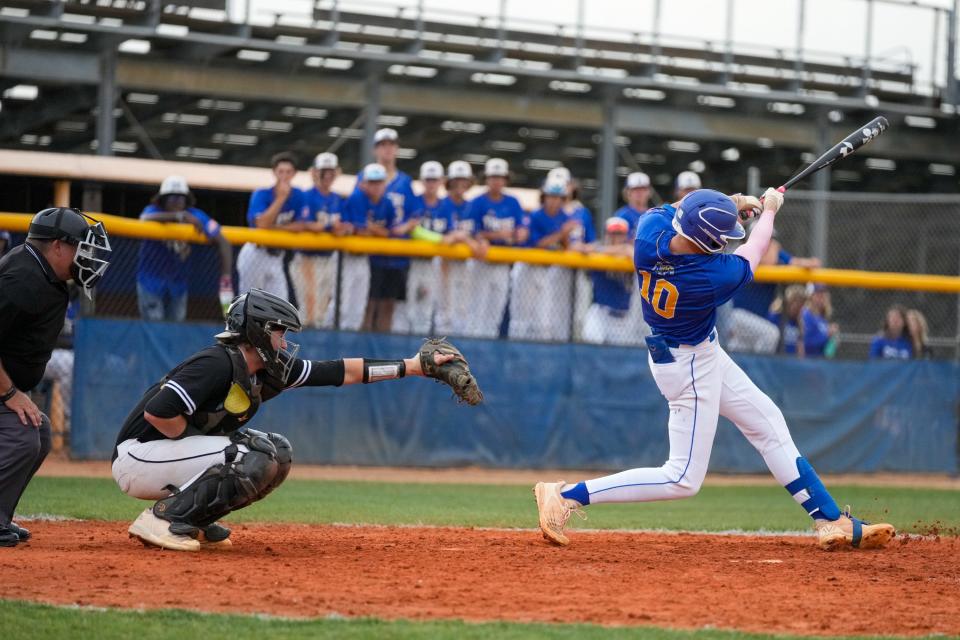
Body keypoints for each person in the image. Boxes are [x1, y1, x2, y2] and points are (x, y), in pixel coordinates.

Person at [533, 188, 895, 552]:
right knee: (682, 478)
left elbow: (680, 208)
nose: (725, 244)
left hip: (691, 355)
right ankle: (566, 495)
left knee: (767, 422)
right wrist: (769, 210)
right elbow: (753, 251)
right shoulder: (708, 276)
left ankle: (830, 520)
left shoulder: (648, 232)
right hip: (691, 366)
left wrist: (730, 203)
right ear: (708, 244)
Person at [112, 288, 481, 551]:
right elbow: (158, 412)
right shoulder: (218, 361)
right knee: (247, 453)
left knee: (278, 453)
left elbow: (339, 372)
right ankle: (161, 520)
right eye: (279, 332)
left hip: (168, 456)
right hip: (139, 456)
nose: (284, 342)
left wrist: (412, 367)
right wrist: (196, 444)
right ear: (256, 330)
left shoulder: (266, 370)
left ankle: (192, 519)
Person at [0, 207, 111, 547]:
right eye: (81, 247)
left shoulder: (41, 271)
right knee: (23, 436)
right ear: (58, 247)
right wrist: (8, 394)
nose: (87, 258)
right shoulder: (22, 279)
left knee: (39, 430)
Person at [137, 176, 234, 322]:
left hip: (178, 283)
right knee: (154, 328)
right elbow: (144, 218)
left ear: (186, 199)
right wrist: (179, 216)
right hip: (151, 281)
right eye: (172, 197)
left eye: (181, 197)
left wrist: (226, 277)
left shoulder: (196, 215)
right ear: (162, 199)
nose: (177, 201)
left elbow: (223, 241)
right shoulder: (154, 210)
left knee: (176, 328)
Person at [508, 178, 581, 341]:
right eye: (551, 196)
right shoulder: (535, 215)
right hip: (527, 268)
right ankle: (514, 359)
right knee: (520, 320)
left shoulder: (564, 217)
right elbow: (537, 244)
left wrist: (567, 236)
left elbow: (566, 246)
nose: (554, 201)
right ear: (544, 197)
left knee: (543, 322)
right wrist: (562, 232)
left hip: (547, 271)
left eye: (558, 197)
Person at [725, 230, 821, 354]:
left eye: (771, 240)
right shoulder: (748, 249)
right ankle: (761, 370)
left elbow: (804, 263)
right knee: (771, 334)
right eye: (767, 239)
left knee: (739, 352)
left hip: (755, 321)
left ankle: (748, 371)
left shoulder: (776, 254)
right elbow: (768, 261)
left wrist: (809, 262)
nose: (770, 243)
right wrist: (775, 252)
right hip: (737, 314)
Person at [463, 158, 528, 338]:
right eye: (493, 177)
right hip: (480, 263)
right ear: (487, 179)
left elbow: (522, 229)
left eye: (500, 177)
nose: (496, 181)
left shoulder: (513, 202)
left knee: (495, 316)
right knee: (476, 312)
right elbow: (471, 231)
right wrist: (499, 235)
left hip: (502, 264)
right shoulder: (477, 202)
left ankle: (487, 358)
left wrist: (519, 233)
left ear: (506, 179)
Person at [237, 152, 310, 301]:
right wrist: (281, 198)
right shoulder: (262, 194)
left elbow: (301, 226)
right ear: (274, 173)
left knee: (278, 304)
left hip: (277, 255)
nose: (284, 175)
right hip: (255, 252)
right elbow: (262, 224)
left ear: (294, 174)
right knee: (250, 303)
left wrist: (274, 227)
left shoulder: (299, 195)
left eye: (288, 172)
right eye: (281, 171)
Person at [293, 152, 348, 328]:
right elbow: (307, 224)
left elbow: (345, 226)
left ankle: (318, 348)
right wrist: (331, 226)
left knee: (323, 307)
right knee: (309, 305)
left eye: (331, 171)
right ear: (315, 172)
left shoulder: (337, 198)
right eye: (324, 171)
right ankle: (304, 347)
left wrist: (341, 228)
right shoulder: (306, 195)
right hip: (306, 257)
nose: (327, 175)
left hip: (329, 257)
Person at [392, 160, 445, 335]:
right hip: (411, 261)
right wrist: (441, 239)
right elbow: (408, 229)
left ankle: (421, 353)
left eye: (434, 180)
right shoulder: (413, 201)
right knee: (406, 309)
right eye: (428, 180)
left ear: (441, 181)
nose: (431, 183)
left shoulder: (445, 205)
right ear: (422, 181)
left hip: (433, 263)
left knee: (427, 309)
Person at [434, 160, 486, 337]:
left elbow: (478, 232)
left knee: (464, 308)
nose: (460, 184)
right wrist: (462, 237)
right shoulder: (441, 204)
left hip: (465, 263)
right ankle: (439, 354)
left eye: (464, 180)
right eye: (457, 180)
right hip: (443, 262)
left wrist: (481, 240)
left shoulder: (472, 206)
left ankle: (460, 353)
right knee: (444, 310)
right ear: (450, 182)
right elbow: (442, 238)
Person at [335, 163, 389, 331]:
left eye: (379, 182)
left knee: (358, 307)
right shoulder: (357, 197)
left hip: (363, 258)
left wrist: (370, 228)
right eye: (371, 182)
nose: (375, 186)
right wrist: (372, 229)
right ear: (363, 183)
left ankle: (349, 347)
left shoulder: (386, 202)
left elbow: (388, 232)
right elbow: (360, 230)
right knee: (341, 306)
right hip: (346, 258)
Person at [581, 217, 647, 346]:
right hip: (600, 313)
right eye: (613, 233)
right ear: (607, 234)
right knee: (591, 344)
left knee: (619, 354)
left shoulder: (629, 253)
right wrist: (605, 249)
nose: (616, 237)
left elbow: (632, 253)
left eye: (620, 234)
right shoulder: (598, 253)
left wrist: (623, 249)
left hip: (623, 317)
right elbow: (582, 249)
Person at [767, 284, 831, 357]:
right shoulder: (774, 318)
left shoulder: (799, 323)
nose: (798, 307)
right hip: (775, 360)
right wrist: (826, 336)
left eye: (802, 304)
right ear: (788, 302)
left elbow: (801, 351)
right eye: (795, 302)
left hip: (793, 363)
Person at [614, 171, 652, 236]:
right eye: (635, 189)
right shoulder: (621, 215)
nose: (639, 192)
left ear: (649, 191)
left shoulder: (654, 214)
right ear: (627, 192)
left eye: (643, 189)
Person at [806, 283, 839, 358]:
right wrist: (827, 335)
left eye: (824, 293)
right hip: (808, 363)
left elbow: (827, 353)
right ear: (810, 296)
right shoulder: (806, 315)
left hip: (819, 363)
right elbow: (807, 345)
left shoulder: (822, 318)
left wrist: (832, 342)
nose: (822, 297)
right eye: (818, 294)